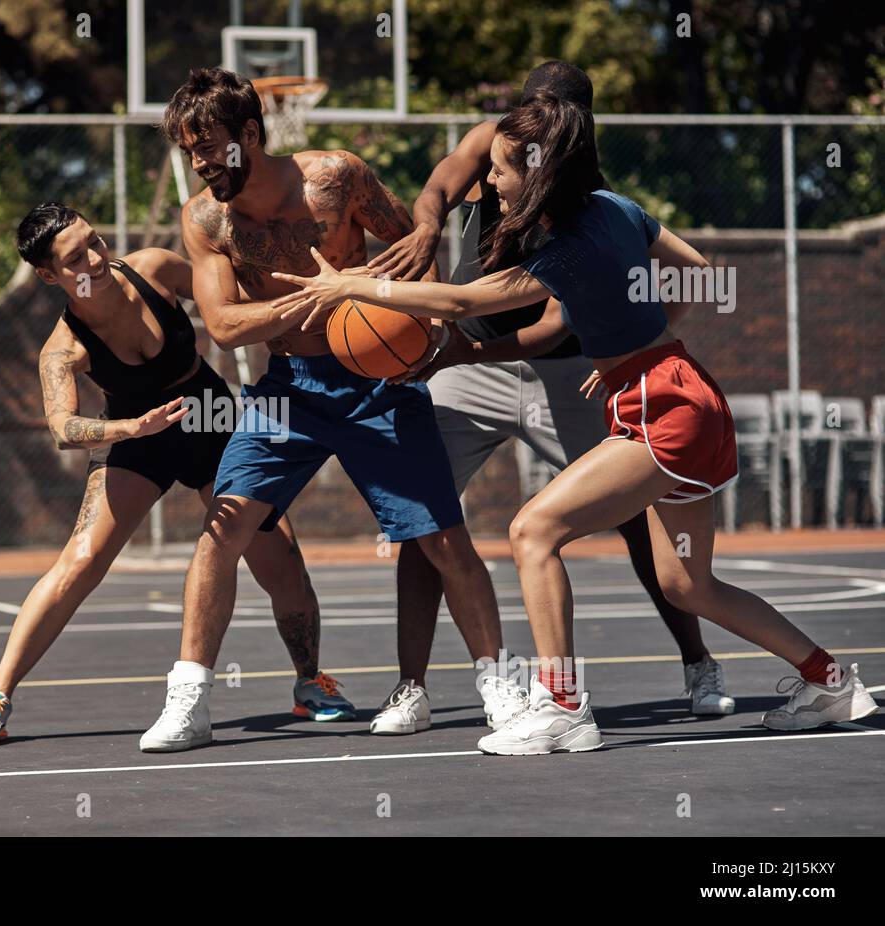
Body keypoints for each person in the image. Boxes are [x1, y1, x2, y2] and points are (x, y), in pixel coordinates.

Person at [270, 93, 879, 755]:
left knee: (532, 530)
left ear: (537, 173)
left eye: (502, 169)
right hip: (683, 392)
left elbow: (459, 300)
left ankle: (562, 707)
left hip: (664, 410)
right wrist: (636, 346)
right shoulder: (616, 209)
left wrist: (350, 288)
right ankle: (831, 681)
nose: (492, 180)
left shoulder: (565, 246)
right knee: (687, 582)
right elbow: (697, 273)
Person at [138, 67, 524, 753]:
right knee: (221, 531)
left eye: (209, 146)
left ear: (250, 134)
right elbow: (224, 325)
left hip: (376, 380)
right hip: (288, 387)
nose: (198, 163)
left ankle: (497, 685)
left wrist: (418, 327)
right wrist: (320, 297)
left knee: (441, 538)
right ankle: (189, 697)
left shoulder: (338, 178)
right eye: (188, 150)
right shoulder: (204, 219)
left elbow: (416, 253)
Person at [364, 60, 734, 717]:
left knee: (634, 516)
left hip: (556, 369)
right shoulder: (494, 139)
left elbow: (546, 327)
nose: (530, 136)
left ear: (574, 130)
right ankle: (412, 686)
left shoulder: (587, 207)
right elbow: (437, 188)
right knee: (429, 513)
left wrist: (645, 345)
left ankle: (697, 663)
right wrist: (427, 225)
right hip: (467, 366)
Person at [0, 201, 353, 746]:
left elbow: (228, 304)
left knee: (280, 558)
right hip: (137, 438)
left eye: (95, 241)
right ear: (49, 276)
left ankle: (311, 682)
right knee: (82, 559)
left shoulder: (155, 268)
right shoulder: (63, 349)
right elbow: (63, 427)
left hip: (211, 419)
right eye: (76, 259)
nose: (96, 259)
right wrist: (129, 429)